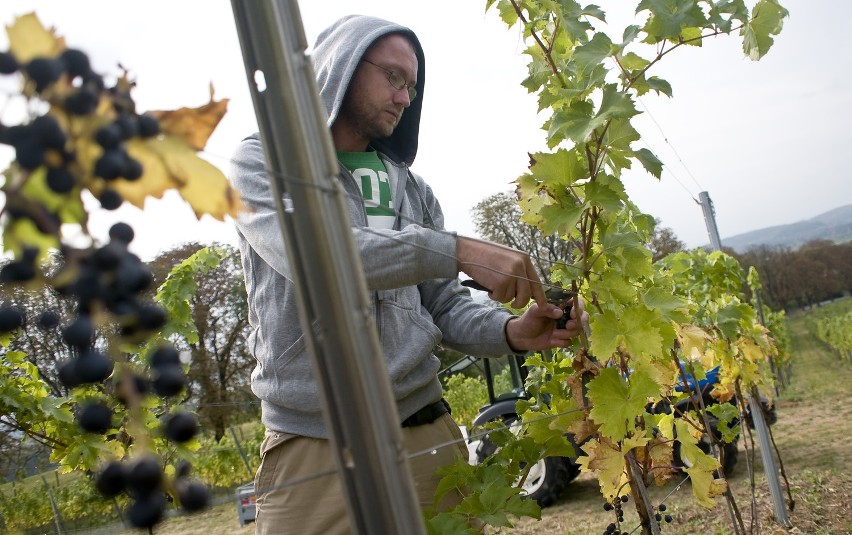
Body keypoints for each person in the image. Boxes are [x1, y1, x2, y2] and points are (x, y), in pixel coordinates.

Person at [229, 14, 587, 535]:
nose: (404, 97)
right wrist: (457, 250)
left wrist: (511, 331)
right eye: (393, 77)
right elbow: (318, 256)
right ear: (340, 67)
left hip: (426, 436)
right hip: (314, 445)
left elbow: (444, 306)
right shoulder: (263, 162)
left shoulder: (414, 192)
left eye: (412, 87)